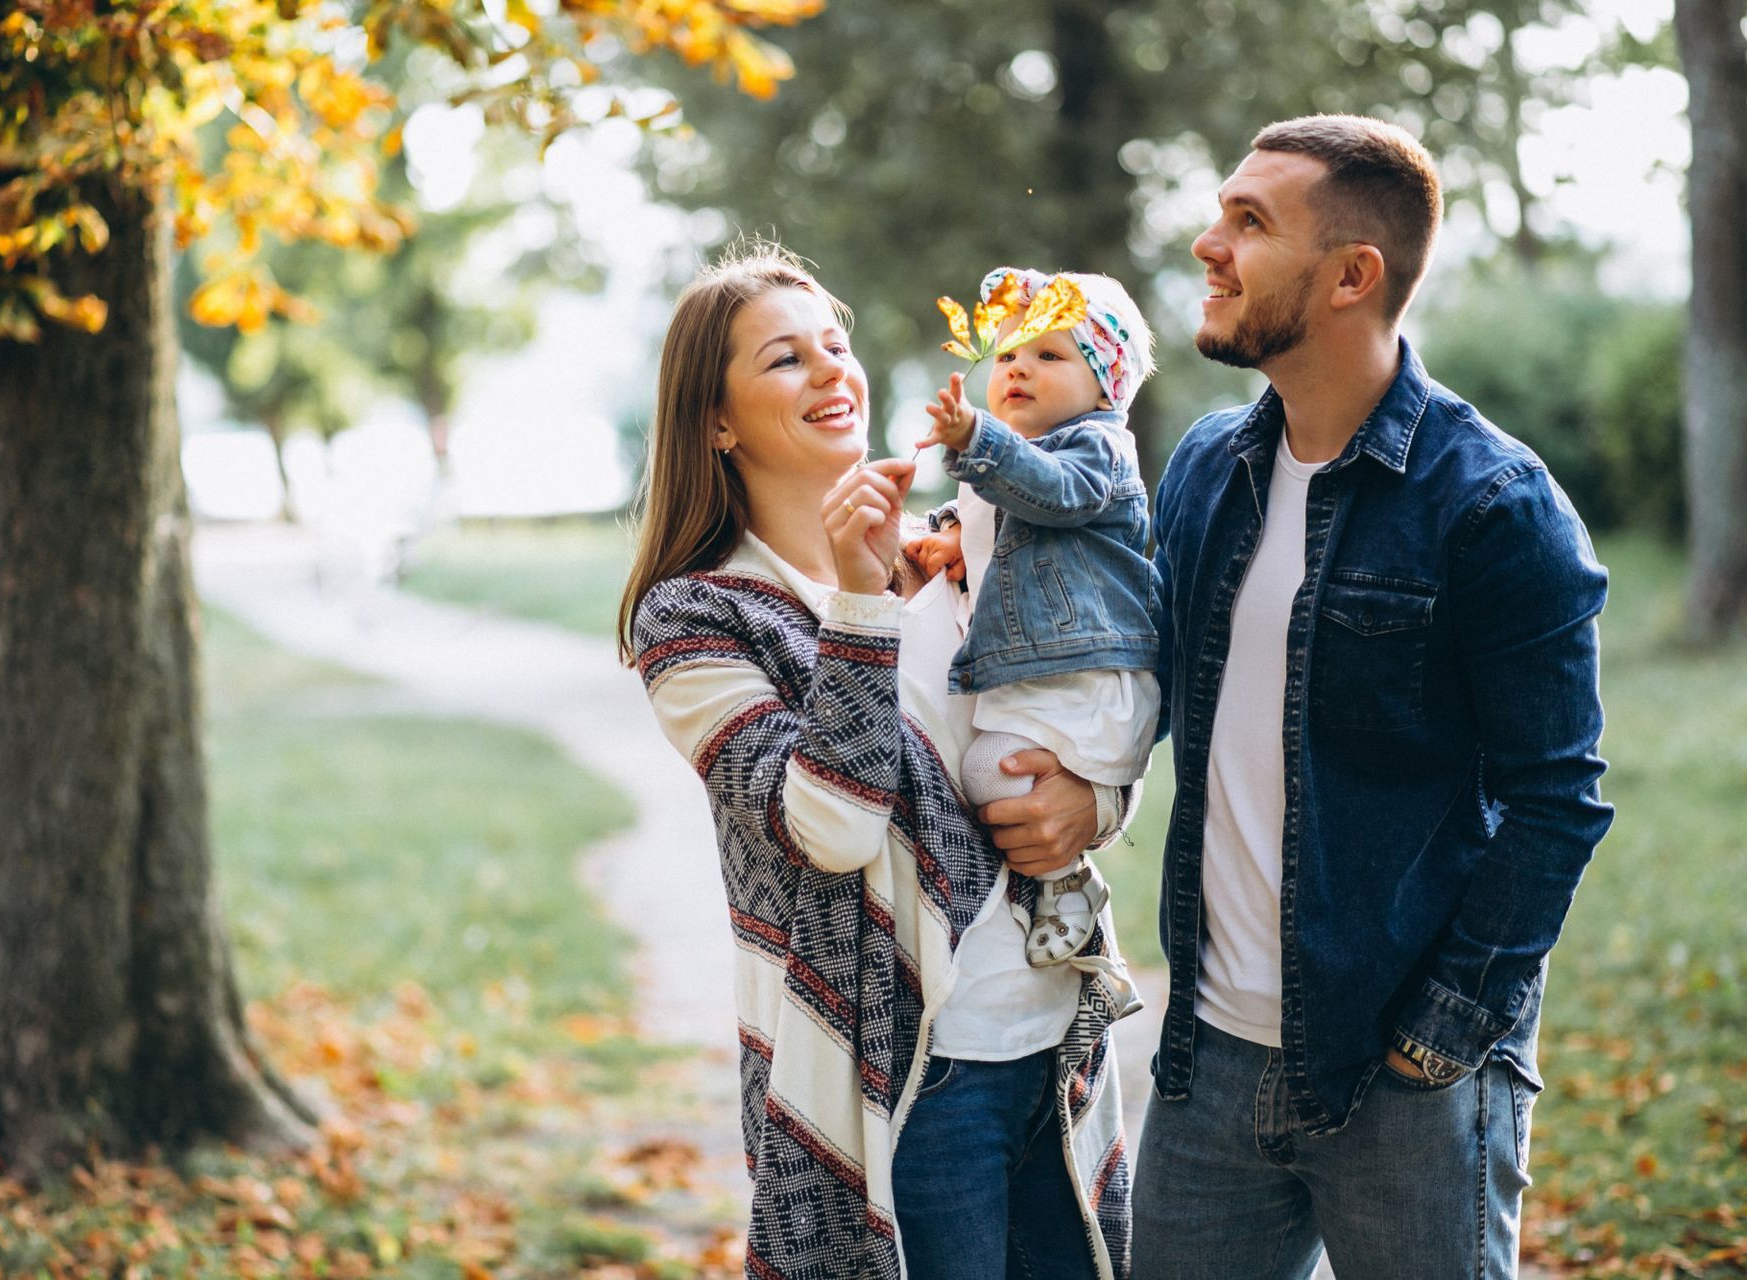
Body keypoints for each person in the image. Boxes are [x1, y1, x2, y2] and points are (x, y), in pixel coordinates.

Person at [1132, 115, 1615, 1278]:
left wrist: (1440, 1034)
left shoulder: (1493, 505)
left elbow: (1558, 798)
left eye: (1250, 222)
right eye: (1221, 210)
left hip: (1400, 1078)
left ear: (1354, 276)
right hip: (1205, 1067)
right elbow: (1133, 677)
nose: (1209, 243)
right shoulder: (1206, 465)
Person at [619, 244, 1132, 1280]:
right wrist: (860, 605)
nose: (831, 372)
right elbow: (833, 826)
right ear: (715, 422)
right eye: (784, 360)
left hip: (1053, 1049)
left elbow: (1090, 678)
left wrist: (1097, 797)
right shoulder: (695, 615)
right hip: (906, 1083)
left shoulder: (955, 545)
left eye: (836, 346)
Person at [906, 267, 1158, 980]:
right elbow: (1011, 526)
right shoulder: (1011, 466)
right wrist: (957, 540)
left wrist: (978, 437)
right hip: (1045, 670)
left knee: (991, 771)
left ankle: (1068, 878)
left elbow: (1057, 496)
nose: (1018, 366)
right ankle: (1059, 886)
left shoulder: (1096, 449)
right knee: (989, 771)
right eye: (1010, 353)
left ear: (1107, 386)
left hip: (1085, 670)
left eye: (1050, 355)